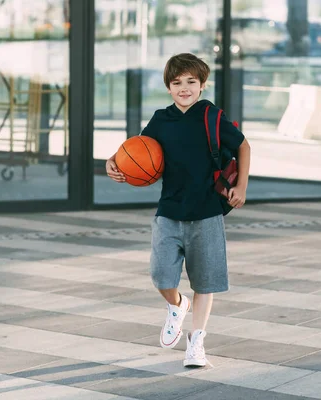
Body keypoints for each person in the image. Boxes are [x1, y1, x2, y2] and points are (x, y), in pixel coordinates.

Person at [106, 52, 251, 367]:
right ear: (168, 87)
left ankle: (196, 343)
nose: (184, 88)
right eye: (177, 83)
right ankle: (176, 305)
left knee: (205, 281)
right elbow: (136, 152)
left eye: (191, 82)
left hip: (208, 211)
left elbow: (243, 145)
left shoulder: (212, 116)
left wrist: (241, 187)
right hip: (169, 211)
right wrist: (111, 163)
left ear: (202, 85)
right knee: (161, 275)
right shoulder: (161, 120)